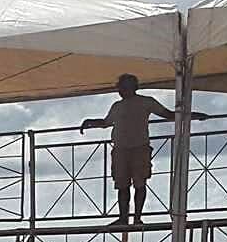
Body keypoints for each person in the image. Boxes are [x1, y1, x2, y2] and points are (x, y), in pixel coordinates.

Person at [81, 74, 208, 228]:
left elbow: (168, 115)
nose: (121, 90)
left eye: (123, 87)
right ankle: (124, 218)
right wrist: (89, 122)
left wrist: (192, 116)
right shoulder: (118, 106)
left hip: (138, 148)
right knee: (122, 185)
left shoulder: (145, 102)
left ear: (133, 88)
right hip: (121, 149)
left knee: (139, 183)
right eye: (120, 87)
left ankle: (137, 217)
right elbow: (106, 122)